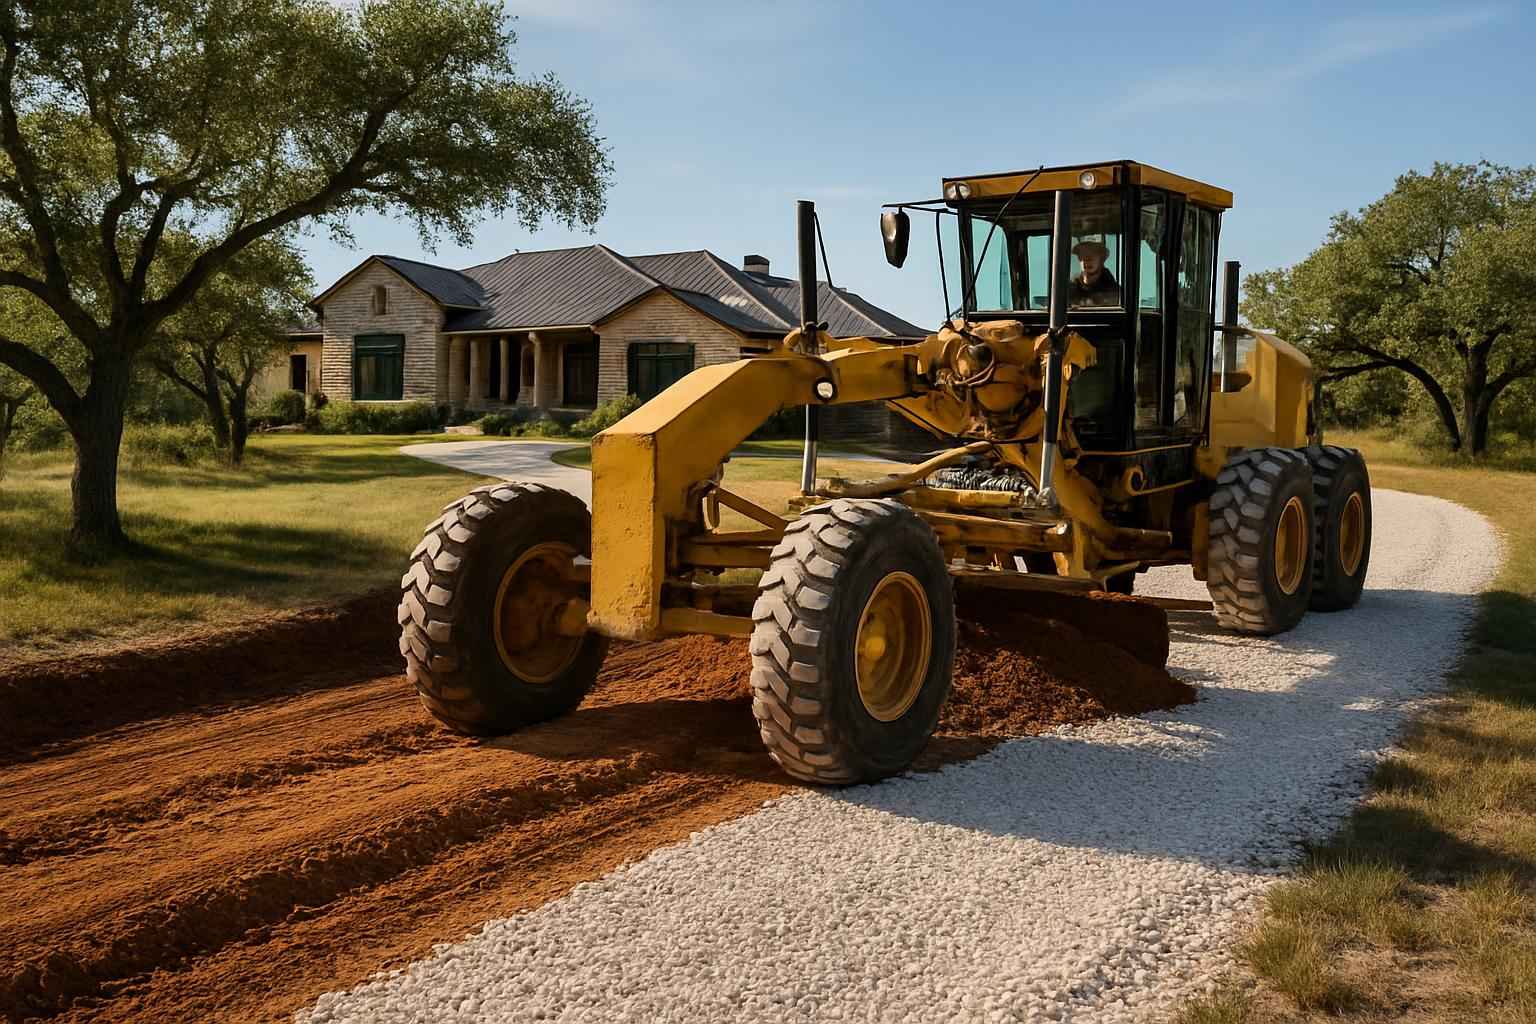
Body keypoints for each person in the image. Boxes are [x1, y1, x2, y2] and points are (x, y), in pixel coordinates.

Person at [1069, 238, 1119, 307]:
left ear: (1102, 258)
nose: (1087, 259)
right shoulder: (1070, 289)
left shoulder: (1114, 291)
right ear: (1079, 258)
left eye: (1092, 253)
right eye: (1083, 253)